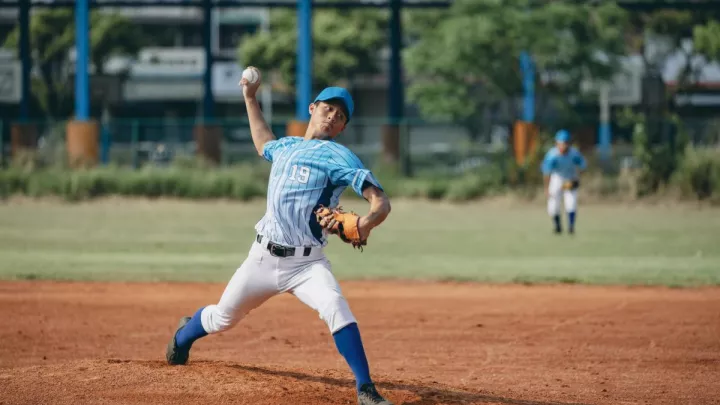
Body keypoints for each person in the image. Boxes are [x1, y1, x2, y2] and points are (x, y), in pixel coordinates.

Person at [165, 67, 394, 405]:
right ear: (312, 108)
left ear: (343, 127)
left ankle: (366, 390)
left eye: (340, 115)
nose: (333, 116)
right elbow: (262, 141)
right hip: (262, 258)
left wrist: (366, 223)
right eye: (328, 108)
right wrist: (250, 97)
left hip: (307, 264)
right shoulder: (285, 148)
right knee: (221, 318)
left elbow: (380, 201)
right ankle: (183, 336)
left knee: (335, 305)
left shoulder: (339, 156)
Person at [541, 129, 587, 234]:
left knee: (571, 203)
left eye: (565, 143)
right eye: (561, 143)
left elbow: (583, 166)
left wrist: (577, 178)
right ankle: (557, 227)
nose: (563, 146)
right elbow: (547, 172)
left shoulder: (574, 154)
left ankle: (571, 227)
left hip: (570, 178)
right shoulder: (552, 155)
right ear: (557, 143)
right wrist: (547, 188)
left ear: (569, 143)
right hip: (556, 178)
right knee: (553, 205)